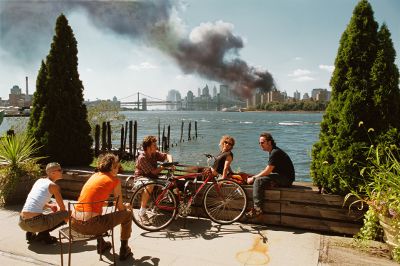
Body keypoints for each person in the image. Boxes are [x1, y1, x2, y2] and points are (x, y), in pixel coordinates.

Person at [71, 153, 133, 261]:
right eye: (117, 166)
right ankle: (124, 249)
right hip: (91, 226)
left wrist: (112, 204)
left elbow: (94, 202)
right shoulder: (115, 180)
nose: (118, 168)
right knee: (127, 214)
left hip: (74, 223)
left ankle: (101, 243)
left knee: (97, 214)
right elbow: (120, 208)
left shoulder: (95, 175)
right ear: (112, 167)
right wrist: (126, 207)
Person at [245, 132, 295, 218]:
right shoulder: (273, 151)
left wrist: (253, 178)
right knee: (260, 177)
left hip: (286, 179)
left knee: (258, 180)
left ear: (269, 142)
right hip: (283, 177)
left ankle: (257, 209)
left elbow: (268, 171)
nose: (260, 145)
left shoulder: (275, 152)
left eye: (262, 142)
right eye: (259, 143)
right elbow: (269, 170)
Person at [19, 162, 68, 244]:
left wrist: (49, 206)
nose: (62, 171)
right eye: (60, 170)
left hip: (22, 222)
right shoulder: (53, 186)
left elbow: (33, 199)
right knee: (67, 213)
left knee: (43, 214)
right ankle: (43, 234)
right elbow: (62, 209)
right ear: (53, 173)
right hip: (35, 223)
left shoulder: (39, 181)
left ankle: (31, 232)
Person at [134, 135, 173, 225]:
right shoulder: (142, 158)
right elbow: (153, 173)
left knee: (169, 182)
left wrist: (170, 162)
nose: (157, 147)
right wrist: (164, 166)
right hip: (141, 178)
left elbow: (167, 155)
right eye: (154, 145)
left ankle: (154, 205)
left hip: (152, 177)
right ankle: (142, 213)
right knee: (150, 184)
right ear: (148, 148)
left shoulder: (154, 153)